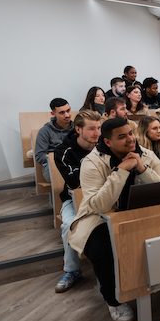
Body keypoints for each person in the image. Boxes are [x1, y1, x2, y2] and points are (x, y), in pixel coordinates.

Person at [68, 118, 160, 321]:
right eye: (122, 137)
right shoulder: (91, 162)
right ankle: (112, 299)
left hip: (140, 214)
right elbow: (99, 205)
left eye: (130, 133)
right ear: (107, 142)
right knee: (103, 249)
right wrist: (122, 170)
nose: (130, 139)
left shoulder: (147, 155)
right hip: (99, 219)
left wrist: (141, 168)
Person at [53, 110, 101, 293]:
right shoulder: (63, 151)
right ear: (78, 129)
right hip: (74, 199)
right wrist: (95, 156)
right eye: (91, 129)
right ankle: (72, 271)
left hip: (101, 197)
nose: (96, 133)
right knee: (69, 225)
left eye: (98, 128)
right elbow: (74, 182)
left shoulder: (104, 145)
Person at [35, 98, 74, 181]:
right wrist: (58, 157)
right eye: (61, 113)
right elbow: (39, 156)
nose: (67, 115)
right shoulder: (45, 131)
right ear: (53, 113)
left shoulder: (77, 128)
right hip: (54, 165)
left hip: (74, 162)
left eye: (68, 110)